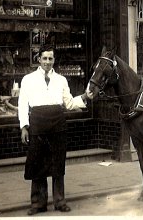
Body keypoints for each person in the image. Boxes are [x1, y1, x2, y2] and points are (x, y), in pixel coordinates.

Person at [19, 44, 91, 216]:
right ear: (39, 59)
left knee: (58, 164)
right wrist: (24, 126)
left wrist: (85, 97)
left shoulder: (61, 80)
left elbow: (69, 103)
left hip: (58, 125)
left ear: (54, 60)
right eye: (44, 58)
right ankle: (38, 203)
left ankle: (60, 201)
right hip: (37, 124)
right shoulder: (28, 79)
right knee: (37, 165)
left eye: (50, 58)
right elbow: (22, 105)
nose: (47, 62)